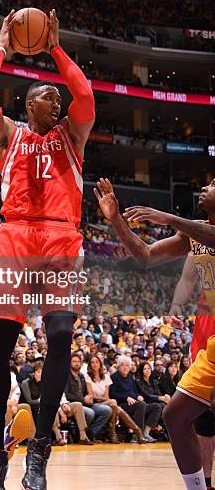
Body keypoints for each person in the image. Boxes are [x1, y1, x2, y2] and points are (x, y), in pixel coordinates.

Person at [0, 9, 95, 489]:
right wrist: (3, 47)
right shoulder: (7, 135)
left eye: (58, 96)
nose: (58, 99)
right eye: (48, 95)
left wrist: (55, 49)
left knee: (61, 336)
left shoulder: (74, 136)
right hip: (16, 236)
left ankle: (39, 450)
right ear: (28, 107)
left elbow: (84, 93)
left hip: (63, 237)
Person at [94, 177, 215, 488]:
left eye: (214, 184)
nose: (206, 187)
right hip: (211, 337)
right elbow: (145, 255)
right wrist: (116, 219)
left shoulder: (199, 231)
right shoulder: (194, 232)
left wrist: (169, 218)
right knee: (176, 416)